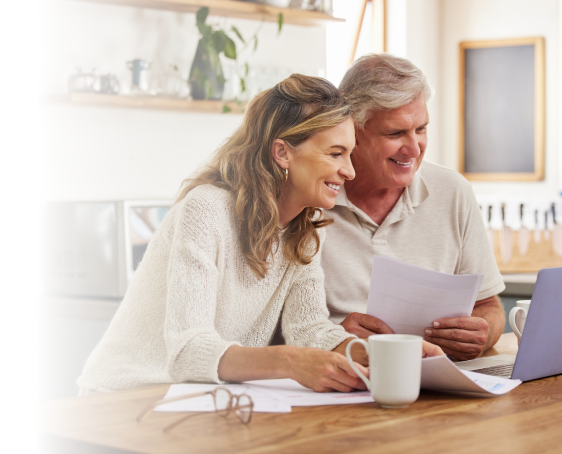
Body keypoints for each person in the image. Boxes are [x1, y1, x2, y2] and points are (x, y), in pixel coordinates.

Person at [78, 74, 440, 396]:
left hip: (198, 401)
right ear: (282, 152)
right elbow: (187, 351)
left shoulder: (306, 225)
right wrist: (289, 362)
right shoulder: (206, 209)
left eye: (349, 154)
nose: (348, 171)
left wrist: (382, 352)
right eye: (335, 153)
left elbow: (309, 329)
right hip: (123, 397)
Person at [322, 54, 506, 361]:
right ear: (352, 130)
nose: (414, 148)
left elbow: (490, 308)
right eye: (395, 133)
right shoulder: (311, 197)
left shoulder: (452, 191)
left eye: (421, 129)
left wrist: (482, 334)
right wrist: (331, 339)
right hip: (342, 383)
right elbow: (266, 330)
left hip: (437, 382)